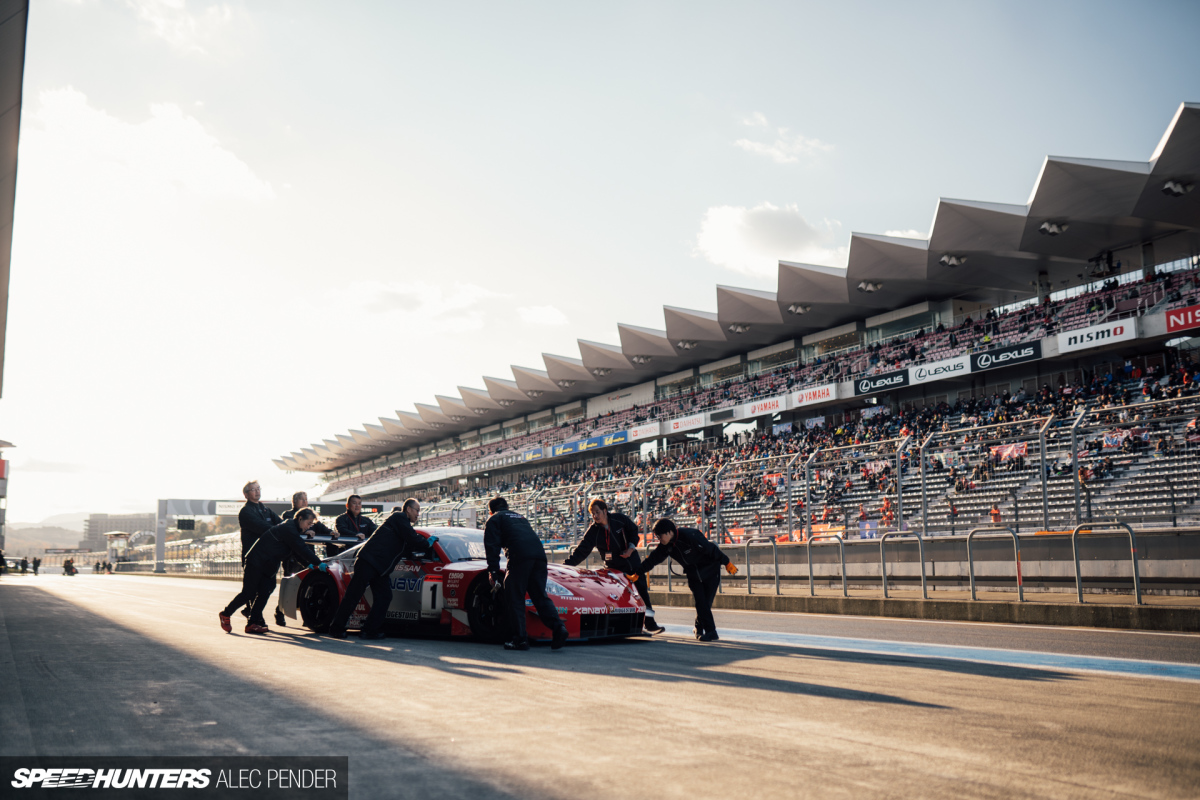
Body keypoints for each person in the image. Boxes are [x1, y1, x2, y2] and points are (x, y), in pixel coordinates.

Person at [326, 498, 435, 641]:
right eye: (417, 510)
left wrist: (423, 548)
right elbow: (413, 538)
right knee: (353, 595)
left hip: (380, 568)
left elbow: (409, 546)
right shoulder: (399, 517)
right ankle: (336, 629)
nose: (418, 514)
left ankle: (369, 631)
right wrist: (427, 544)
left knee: (384, 597)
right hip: (368, 562)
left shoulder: (403, 526)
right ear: (408, 509)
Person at [220, 508, 327, 635]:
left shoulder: (293, 530)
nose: (309, 527)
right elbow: (301, 548)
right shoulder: (289, 528)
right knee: (249, 592)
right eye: (308, 523)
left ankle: (252, 623)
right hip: (256, 561)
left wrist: (307, 564)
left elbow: (295, 552)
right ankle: (226, 614)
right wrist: (318, 563)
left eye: (311, 524)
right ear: (300, 519)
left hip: (269, 564)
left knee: (266, 590)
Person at [563, 498, 663, 634]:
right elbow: (581, 551)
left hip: (632, 563)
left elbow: (634, 531)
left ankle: (650, 624)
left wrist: (631, 548)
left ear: (605, 511)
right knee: (618, 597)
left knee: (641, 592)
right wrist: (565, 567)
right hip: (613, 569)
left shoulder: (619, 519)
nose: (595, 516)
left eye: (597, 512)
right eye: (593, 514)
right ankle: (623, 625)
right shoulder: (593, 531)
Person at [627, 518, 737, 642]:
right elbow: (653, 559)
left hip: (710, 571)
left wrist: (726, 562)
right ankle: (711, 632)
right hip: (693, 574)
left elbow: (711, 548)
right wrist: (638, 573)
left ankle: (698, 628)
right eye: (656, 536)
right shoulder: (666, 546)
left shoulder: (690, 536)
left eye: (659, 535)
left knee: (706, 603)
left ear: (669, 532)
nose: (658, 539)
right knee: (701, 602)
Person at [483, 496, 568, 651]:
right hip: (540, 557)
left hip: (520, 557)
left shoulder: (494, 519)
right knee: (540, 596)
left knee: (514, 597)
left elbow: (492, 547)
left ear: (490, 511)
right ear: (507, 507)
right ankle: (558, 628)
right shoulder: (520, 517)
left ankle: (520, 639)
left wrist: (493, 572)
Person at [275, 491, 336, 626]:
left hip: (307, 556)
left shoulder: (311, 516)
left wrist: (331, 533)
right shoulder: (288, 515)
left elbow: (320, 527)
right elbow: (292, 531)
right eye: (301, 499)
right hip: (292, 557)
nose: (304, 501)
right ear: (294, 502)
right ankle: (279, 612)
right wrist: (303, 531)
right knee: (290, 585)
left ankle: (308, 616)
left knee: (307, 586)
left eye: (306, 499)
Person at [237, 480, 283, 619]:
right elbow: (261, 526)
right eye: (253, 489)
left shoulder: (266, 510)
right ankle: (254, 615)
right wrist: (279, 530)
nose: (257, 491)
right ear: (245, 494)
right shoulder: (245, 512)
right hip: (253, 556)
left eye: (258, 488)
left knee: (270, 586)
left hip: (268, 557)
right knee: (253, 588)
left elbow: (280, 523)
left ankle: (251, 611)